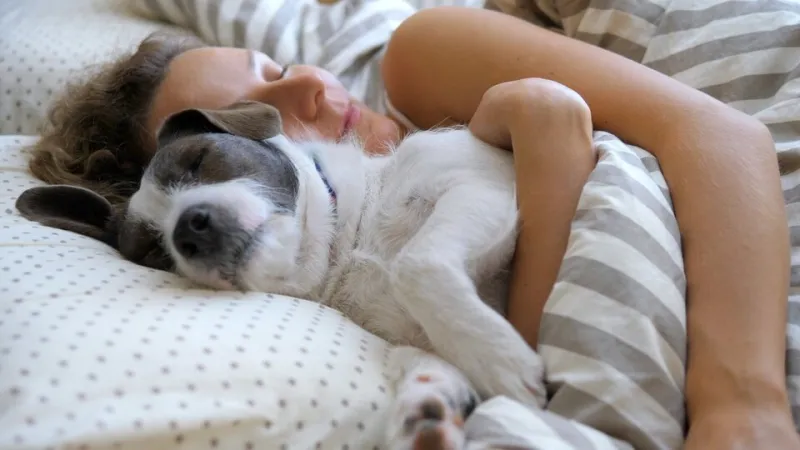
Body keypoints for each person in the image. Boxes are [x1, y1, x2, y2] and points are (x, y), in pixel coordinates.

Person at [26, 5, 798, 449]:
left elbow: (721, 135)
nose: (309, 88)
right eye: (264, 117)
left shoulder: (418, 56)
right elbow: (532, 359)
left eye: (269, 67)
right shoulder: (336, 280)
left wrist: (742, 404)